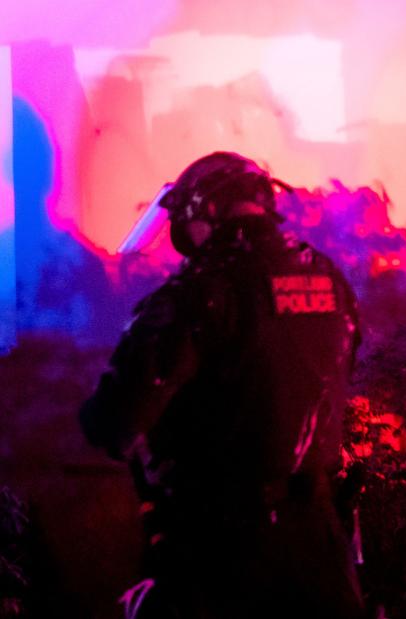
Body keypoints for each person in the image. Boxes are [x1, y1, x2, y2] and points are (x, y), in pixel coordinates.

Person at [80, 152, 365, 618]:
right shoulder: (330, 280)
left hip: (225, 551)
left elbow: (115, 422)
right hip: (321, 548)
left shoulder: (202, 291)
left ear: (207, 212)